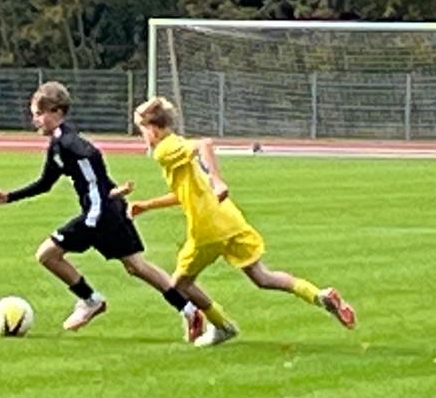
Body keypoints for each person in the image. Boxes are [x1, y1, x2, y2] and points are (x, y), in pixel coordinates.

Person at [0, 82, 210, 340]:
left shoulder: (68, 141)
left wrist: (103, 191)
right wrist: (9, 197)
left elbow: (89, 152)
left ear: (57, 112)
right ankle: (189, 310)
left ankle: (91, 300)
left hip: (99, 214)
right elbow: (45, 183)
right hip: (110, 210)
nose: (34, 119)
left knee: (47, 254)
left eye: (38, 113)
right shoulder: (58, 145)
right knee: (136, 266)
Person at [128, 97, 355, 347]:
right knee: (262, 277)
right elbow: (186, 193)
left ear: (154, 129)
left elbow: (204, 144)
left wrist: (217, 180)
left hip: (207, 227)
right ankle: (319, 295)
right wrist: (147, 205)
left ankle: (222, 325)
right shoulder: (176, 147)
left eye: (142, 130)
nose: (142, 137)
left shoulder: (165, 149)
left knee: (179, 285)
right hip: (229, 218)